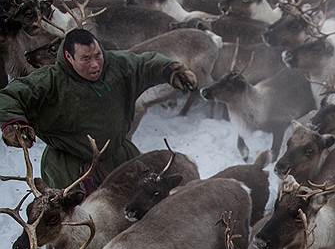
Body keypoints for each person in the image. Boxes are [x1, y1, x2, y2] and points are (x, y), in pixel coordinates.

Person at [0, 28, 197, 191]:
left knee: (141, 209)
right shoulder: (49, 81)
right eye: (85, 59)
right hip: (71, 168)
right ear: (68, 57)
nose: (95, 65)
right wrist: (13, 125)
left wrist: (172, 71)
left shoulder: (117, 66)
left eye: (97, 55)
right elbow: (8, 96)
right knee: (76, 222)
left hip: (119, 156)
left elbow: (146, 63)